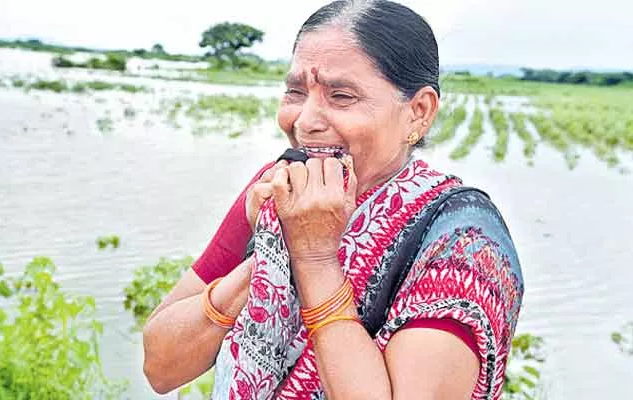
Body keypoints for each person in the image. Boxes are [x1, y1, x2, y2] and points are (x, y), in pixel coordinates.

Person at [142, 1, 524, 399]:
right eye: (295, 91)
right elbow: (160, 366)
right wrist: (269, 256)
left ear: (418, 112)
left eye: (341, 96)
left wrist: (315, 258)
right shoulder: (277, 192)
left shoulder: (462, 241)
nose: (305, 120)